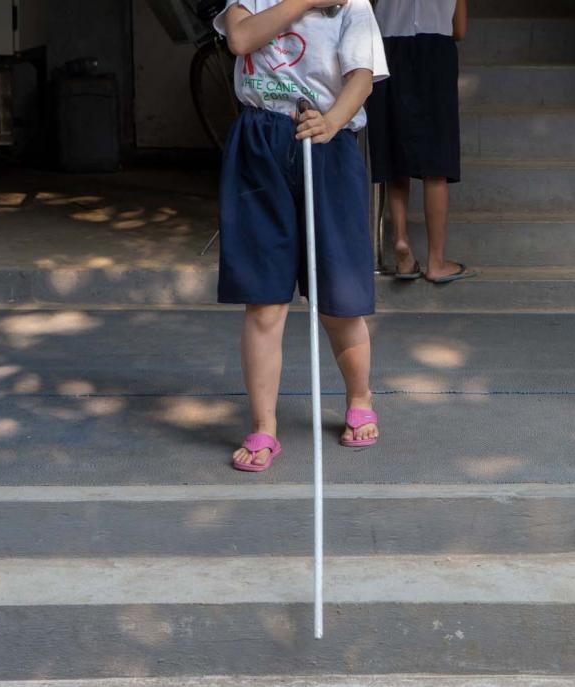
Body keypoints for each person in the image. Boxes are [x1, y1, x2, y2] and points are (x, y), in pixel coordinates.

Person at [213, 0, 388, 472]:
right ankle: (264, 426)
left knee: (338, 300)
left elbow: (362, 78)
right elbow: (241, 40)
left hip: (328, 144)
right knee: (263, 300)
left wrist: (331, 122)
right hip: (259, 143)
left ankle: (359, 395)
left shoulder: (354, 6)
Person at [367, 0, 476, 283]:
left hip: (387, 49)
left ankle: (401, 244)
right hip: (434, 52)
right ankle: (436, 261)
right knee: (436, 160)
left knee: (395, 150)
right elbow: (460, 29)